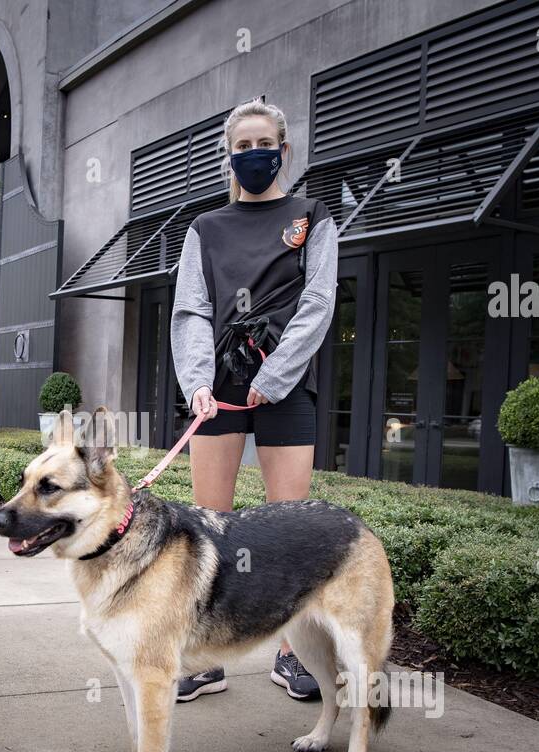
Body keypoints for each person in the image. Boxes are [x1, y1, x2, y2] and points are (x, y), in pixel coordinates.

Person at [169, 98, 339, 703]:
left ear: (284, 150)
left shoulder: (313, 217)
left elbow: (318, 303)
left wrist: (278, 375)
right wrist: (198, 383)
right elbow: (191, 309)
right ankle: (206, 657)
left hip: (284, 385)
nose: (253, 155)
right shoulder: (205, 229)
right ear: (229, 155)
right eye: (242, 147)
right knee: (209, 527)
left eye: (263, 143)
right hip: (219, 389)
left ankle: (291, 656)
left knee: (288, 528)